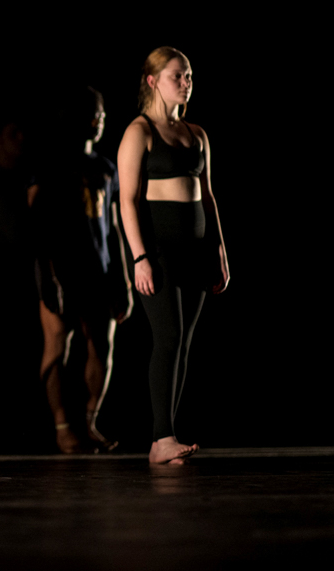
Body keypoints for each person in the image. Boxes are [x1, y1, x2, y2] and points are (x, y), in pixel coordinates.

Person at [117, 47, 229, 465]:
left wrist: (220, 251)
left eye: (189, 76)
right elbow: (126, 201)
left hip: (196, 252)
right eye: (177, 75)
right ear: (152, 80)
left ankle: (167, 435)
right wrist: (139, 257)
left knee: (182, 343)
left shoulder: (196, 134)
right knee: (167, 338)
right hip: (159, 251)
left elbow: (210, 196)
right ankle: (160, 437)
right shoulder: (139, 131)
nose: (186, 82)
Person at [33, 87, 131, 453]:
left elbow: (114, 227)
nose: (100, 118)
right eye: (93, 112)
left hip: (99, 272)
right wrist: (48, 277)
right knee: (58, 347)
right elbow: (38, 227)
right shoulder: (50, 165)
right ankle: (62, 427)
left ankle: (89, 420)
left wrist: (123, 279)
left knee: (101, 347)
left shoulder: (105, 168)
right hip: (62, 270)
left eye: (103, 112)